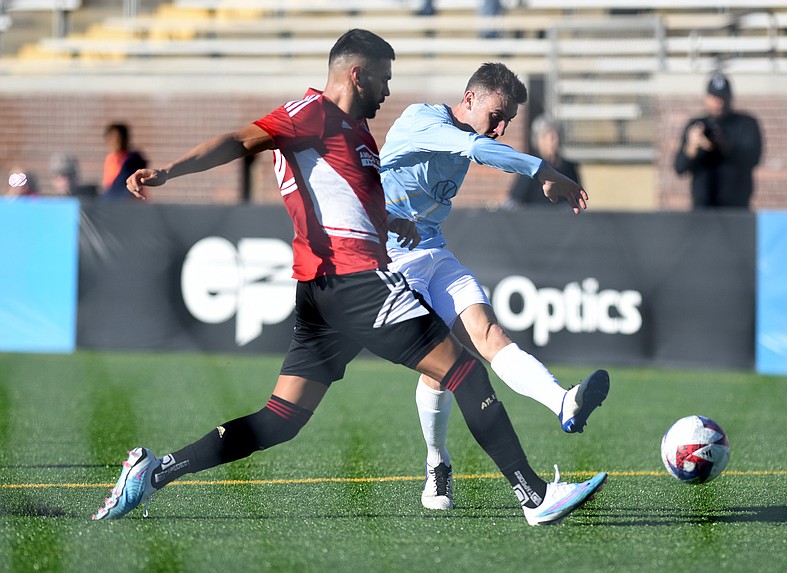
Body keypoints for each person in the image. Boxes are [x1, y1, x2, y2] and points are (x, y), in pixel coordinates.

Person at [91, 30, 607, 526]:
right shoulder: (312, 113)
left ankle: (154, 472)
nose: (387, 92)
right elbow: (238, 139)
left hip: (324, 292)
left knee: (281, 419)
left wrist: (395, 221)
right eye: (382, 80)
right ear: (356, 75)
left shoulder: (357, 136)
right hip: (353, 280)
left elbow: (357, 200)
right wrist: (167, 172)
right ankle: (534, 495)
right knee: (466, 372)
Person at [380, 62, 610, 510]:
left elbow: (478, 147)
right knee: (441, 368)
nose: (501, 129)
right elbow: (475, 148)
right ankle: (437, 463)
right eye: (497, 116)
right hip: (391, 260)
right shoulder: (421, 120)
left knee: (489, 336)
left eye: (508, 122)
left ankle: (563, 403)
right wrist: (543, 169)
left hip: (434, 252)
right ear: (469, 100)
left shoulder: (473, 134)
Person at [673, 72, 762, 209]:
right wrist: (692, 147)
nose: (719, 102)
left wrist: (724, 144)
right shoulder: (697, 125)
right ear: (706, 98)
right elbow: (679, 168)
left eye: (723, 97)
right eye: (715, 97)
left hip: (737, 207)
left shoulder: (746, 124)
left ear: (730, 97)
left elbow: (753, 159)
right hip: (703, 209)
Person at [505, 114, 581, 209]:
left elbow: (577, 201)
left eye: (558, 136)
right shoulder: (530, 166)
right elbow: (514, 202)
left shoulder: (568, 167)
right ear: (540, 140)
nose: (556, 141)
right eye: (551, 137)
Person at [101, 122, 148, 200]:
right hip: (114, 203)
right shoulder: (110, 158)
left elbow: (121, 186)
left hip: (130, 203)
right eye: (111, 139)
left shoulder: (132, 159)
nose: (114, 142)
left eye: (117, 139)